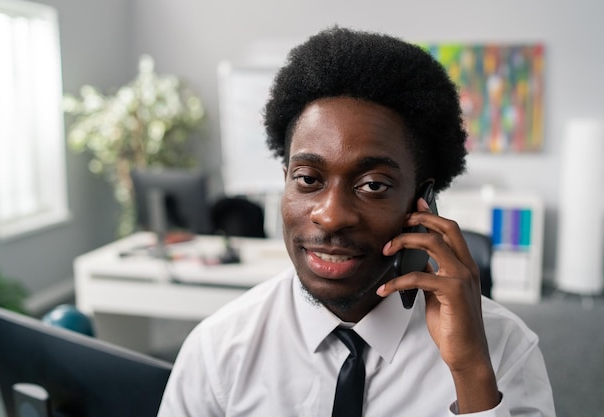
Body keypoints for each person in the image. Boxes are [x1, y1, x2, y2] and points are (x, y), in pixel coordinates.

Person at [158, 26, 555, 416]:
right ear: (285, 183)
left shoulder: (504, 349)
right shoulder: (217, 350)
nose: (330, 216)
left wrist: (470, 373)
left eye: (373, 185)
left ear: (424, 202)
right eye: (308, 179)